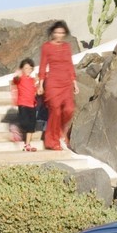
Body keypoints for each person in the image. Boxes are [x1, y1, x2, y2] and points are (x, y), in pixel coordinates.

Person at [38, 20, 80, 151]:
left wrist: (74, 82)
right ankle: (51, 141)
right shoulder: (46, 47)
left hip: (66, 83)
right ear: (52, 33)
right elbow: (43, 65)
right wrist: (40, 84)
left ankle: (61, 131)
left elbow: (69, 64)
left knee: (69, 110)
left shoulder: (67, 46)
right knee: (55, 111)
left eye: (62, 32)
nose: (59, 35)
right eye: (57, 32)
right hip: (53, 84)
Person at [10, 58, 39, 152]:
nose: (28, 70)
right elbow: (14, 81)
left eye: (30, 68)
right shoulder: (20, 78)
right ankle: (16, 128)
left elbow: (35, 91)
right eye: (26, 68)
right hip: (23, 104)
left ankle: (27, 145)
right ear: (22, 69)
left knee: (31, 126)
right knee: (24, 122)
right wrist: (17, 74)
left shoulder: (32, 80)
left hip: (32, 104)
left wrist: (39, 89)